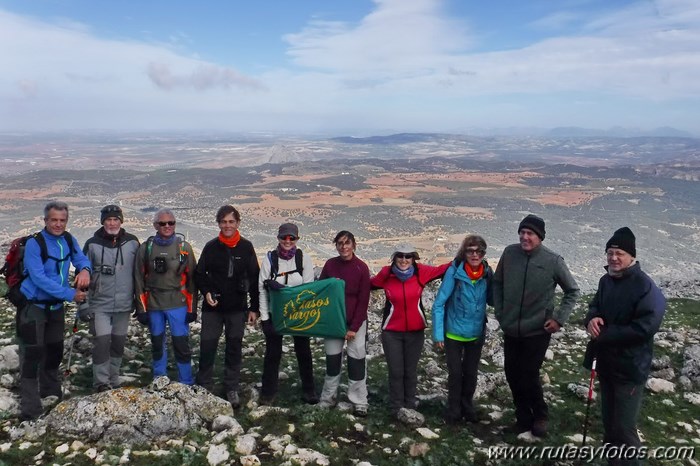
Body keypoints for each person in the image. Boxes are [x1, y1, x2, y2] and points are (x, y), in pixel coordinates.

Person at [493, 214, 580, 437]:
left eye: (530, 233)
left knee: (529, 374)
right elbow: (498, 283)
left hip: (538, 329)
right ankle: (523, 418)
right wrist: (501, 312)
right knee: (512, 374)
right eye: (522, 232)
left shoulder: (553, 261)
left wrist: (559, 318)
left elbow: (572, 291)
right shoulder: (510, 253)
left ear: (539, 237)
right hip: (511, 327)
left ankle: (540, 415)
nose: (524, 237)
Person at [584, 227, 665, 466]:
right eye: (610, 252)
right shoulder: (606, 281)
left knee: (624, 430)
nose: (613, 257)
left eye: (619, 253)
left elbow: (646, 327)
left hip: (629, 368)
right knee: (610, 425)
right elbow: (594, 306)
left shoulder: (644, 286)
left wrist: (606, 334)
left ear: (631, 256)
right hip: (607, 364)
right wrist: (592, 319)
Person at [16, 201, 92, 420]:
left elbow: (80, 258)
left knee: (54, 351)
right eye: (54, 220)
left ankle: (50, 394)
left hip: (55, 307)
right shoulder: (34, 244)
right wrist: (70, 294)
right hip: (33, 307)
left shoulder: (68, 239)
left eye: (62, 220)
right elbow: (38, 278)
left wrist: (85, 269)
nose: (58, 224)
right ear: (45, 220)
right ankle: (31, 411)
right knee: (31, 355)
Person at [370, 243, 450, 417]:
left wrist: (467, 257)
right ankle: (396, 408)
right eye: (400, 256)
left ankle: (410, 406)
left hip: (415, 331)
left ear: (414, 258)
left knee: (410, 370)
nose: (404, 260)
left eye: (408, 256)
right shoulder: (386, 274)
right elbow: (369, 284)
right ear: (394, 257)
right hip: (391, 331)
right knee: (396, 371)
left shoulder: (421, 272)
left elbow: (443, 269)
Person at [194, 205, 260, 408]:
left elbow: (254, 278)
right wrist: (205, 292)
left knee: (234, 347)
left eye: (231, 221)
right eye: (223, 222)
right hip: (212, 308)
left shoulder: (246, 247)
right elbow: (199, 274)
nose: (227, 225)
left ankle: (231, 387)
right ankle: (204, 384)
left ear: (238, 223)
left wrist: (254, 308)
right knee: (207, 346)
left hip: (237, 308)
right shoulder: (211, 247)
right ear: (219, 224)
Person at [432, 235, 493, 425]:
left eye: (479, 251)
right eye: (470, 250)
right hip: (453, 333)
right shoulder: (454, 272)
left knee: (471, 373)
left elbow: (492, 299)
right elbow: (439, 303)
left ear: (483, 253)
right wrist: (438, 333)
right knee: (456, 373)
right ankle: (454, 409)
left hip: (475, 332)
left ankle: (467, 406)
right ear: (464, 252)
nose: (475, 255)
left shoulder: (487, 273)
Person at [79, 205, 139, 392]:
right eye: (108, 219)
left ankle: (114, 379)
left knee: (118, 343)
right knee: (102, 343)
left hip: (124, 304)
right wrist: (83, 304)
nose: (112, 223)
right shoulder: (92, 244)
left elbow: (139, 273)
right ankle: (101, 382)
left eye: (115, 219)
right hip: (99, 305)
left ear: (121, 221)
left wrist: (140, 301)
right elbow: (82, 275)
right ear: (103, 221)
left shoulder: (132, 243)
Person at [134, 208, 197, 385]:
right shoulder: (146, 248)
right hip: (154, 303)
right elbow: (138, 279)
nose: (167, 226)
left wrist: (192, 309)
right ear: (155, 225)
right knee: (156, 341)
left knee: (181, 343)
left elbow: (192, 279)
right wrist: (141, 308)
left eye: (171, 223)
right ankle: (159, 377)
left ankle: (186, 380)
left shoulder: (184, 248)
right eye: (162, 223)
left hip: (178, 302)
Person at [258, 223, 318, 405]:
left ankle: (309, 390)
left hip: (299, 313)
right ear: (278, 238)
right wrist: (265, 319)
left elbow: (307, 288)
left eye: (292, 238)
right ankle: (268, 392)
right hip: (275, 313)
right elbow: (262, 288)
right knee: (273, 353)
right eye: (284, 237)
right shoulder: (270, 259)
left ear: (297, 239)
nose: (287, 241)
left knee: (304, 352)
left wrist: (281, 288)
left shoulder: (303, 259)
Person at [318, 231, 371, 416]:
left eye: (347, 243)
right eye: (340, 243)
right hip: (334, 322)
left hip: (355, 322)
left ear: (354, 245)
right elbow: (321, 290)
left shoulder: (361, 268)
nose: (343, 247)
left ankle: (359, 401)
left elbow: (363, 300)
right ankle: (328, 398)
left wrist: (354, 327)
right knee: (332, 361)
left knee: (356, 360)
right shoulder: (330, 265)